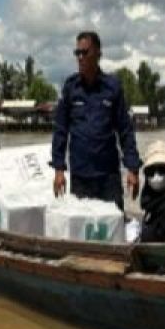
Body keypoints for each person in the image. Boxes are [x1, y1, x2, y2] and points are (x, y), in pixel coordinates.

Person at [50, 31, 141, 211]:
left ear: (98, 54)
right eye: (77, 53)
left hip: (108, 177)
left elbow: (125, 130)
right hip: (80, 177)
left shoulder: (112, 87)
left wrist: (132, 168)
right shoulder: (70, 88)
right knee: (82, 232)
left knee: (115, 229)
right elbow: (60, 130)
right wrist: (59, 169)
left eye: (85, 52)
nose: (81, 58)